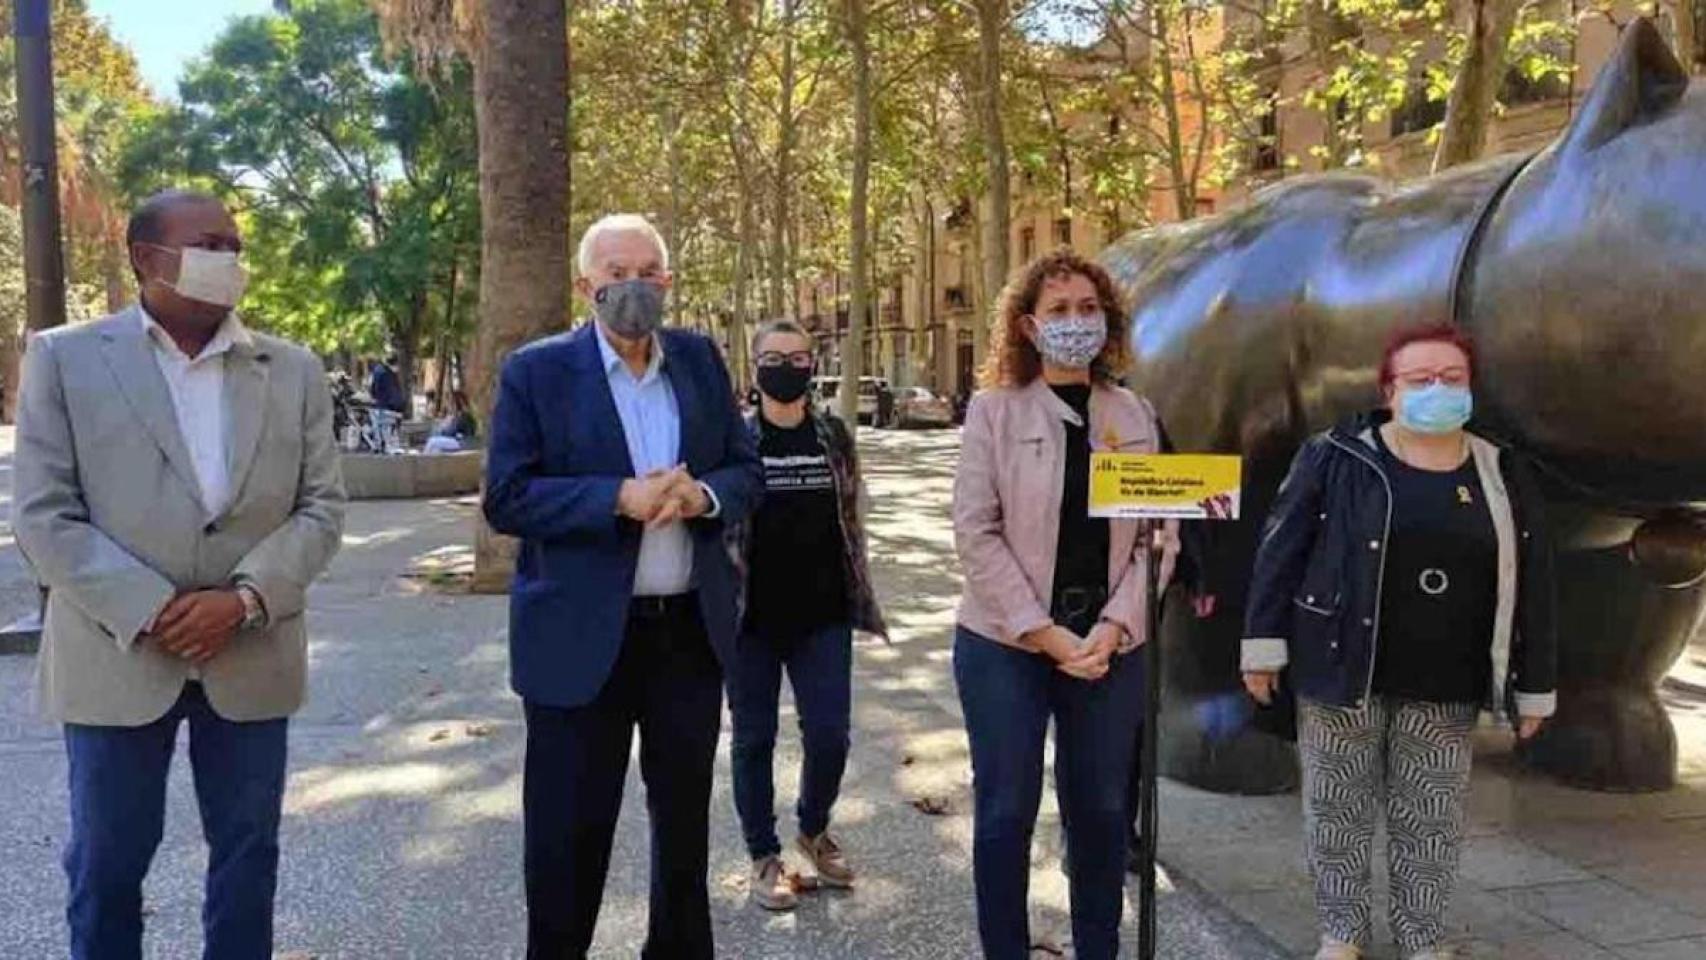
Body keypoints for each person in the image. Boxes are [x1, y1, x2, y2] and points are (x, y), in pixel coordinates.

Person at [12, 189, 346, 960]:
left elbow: (321, 507)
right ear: (145, 258)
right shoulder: (64, 359)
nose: (227, 259)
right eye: (208, 243)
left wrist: (245, 599)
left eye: (233, 244)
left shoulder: (291, 370)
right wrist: (157, 608)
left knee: (247, 860)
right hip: (118, 652)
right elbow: (43, 513)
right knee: (106, 863)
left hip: (252, 649)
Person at [483, 213, 763, 959]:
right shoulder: (536, 372)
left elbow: (745, 470)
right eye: (615, 273)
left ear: (668, 282)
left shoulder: (701, 361)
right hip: (578, 645)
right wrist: (617, 498)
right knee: (566, 840)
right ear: (587, 286)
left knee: (683, 841)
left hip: (686, 639)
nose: (632, 286)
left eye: (648, 271)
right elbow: (507, 497)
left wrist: (701, 495)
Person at [1241, 322, 1556, 960]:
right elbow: (1281, 550)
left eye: (1452, 378)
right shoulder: (1336, 454)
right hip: (1340, 668)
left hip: (1448, 678)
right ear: (1389, 390)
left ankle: (1422, 939)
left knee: (1431, 820)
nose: (1437, 389)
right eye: (1420, 380)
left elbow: (1537, 579)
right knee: (1337, 811)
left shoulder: (1501, 470)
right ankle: (1342, 934)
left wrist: (1535, 685)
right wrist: (1262, 645)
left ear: (1471, 387)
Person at [952, 248, 1167, 960]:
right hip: (1005, 644)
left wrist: (1114, 626)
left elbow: (1159, 536)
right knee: (1006, 810)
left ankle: (1096, 948)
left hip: (1110, 646)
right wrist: (1044, 634)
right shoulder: (992, 411)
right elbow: (975, 532)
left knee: (1103, 811)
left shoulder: (1135, 413)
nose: (1075, 323)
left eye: (1087, 309)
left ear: (1108, 321)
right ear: (1027, 325)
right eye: (1058, 311)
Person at [727, 319, 887, 912]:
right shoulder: (736, 441)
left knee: (829, 736)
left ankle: (813, 829)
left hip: (823, 616)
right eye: (774, 357)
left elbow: (851, 518)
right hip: (752, 621)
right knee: (753, 739)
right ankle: (763, 855)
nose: (787, 367)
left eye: (798, 357)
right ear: (756, 364)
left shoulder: (833, 436)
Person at [424, 390, 477, 454]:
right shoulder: (465, 415)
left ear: (456, 404)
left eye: (451, 403)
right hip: (463, 442)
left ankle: (423, 460)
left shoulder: (461, 416)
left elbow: (449, 433)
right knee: (435, 448)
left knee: (432, 442)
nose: (449, 405)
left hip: (462, 443)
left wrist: (444, 425)